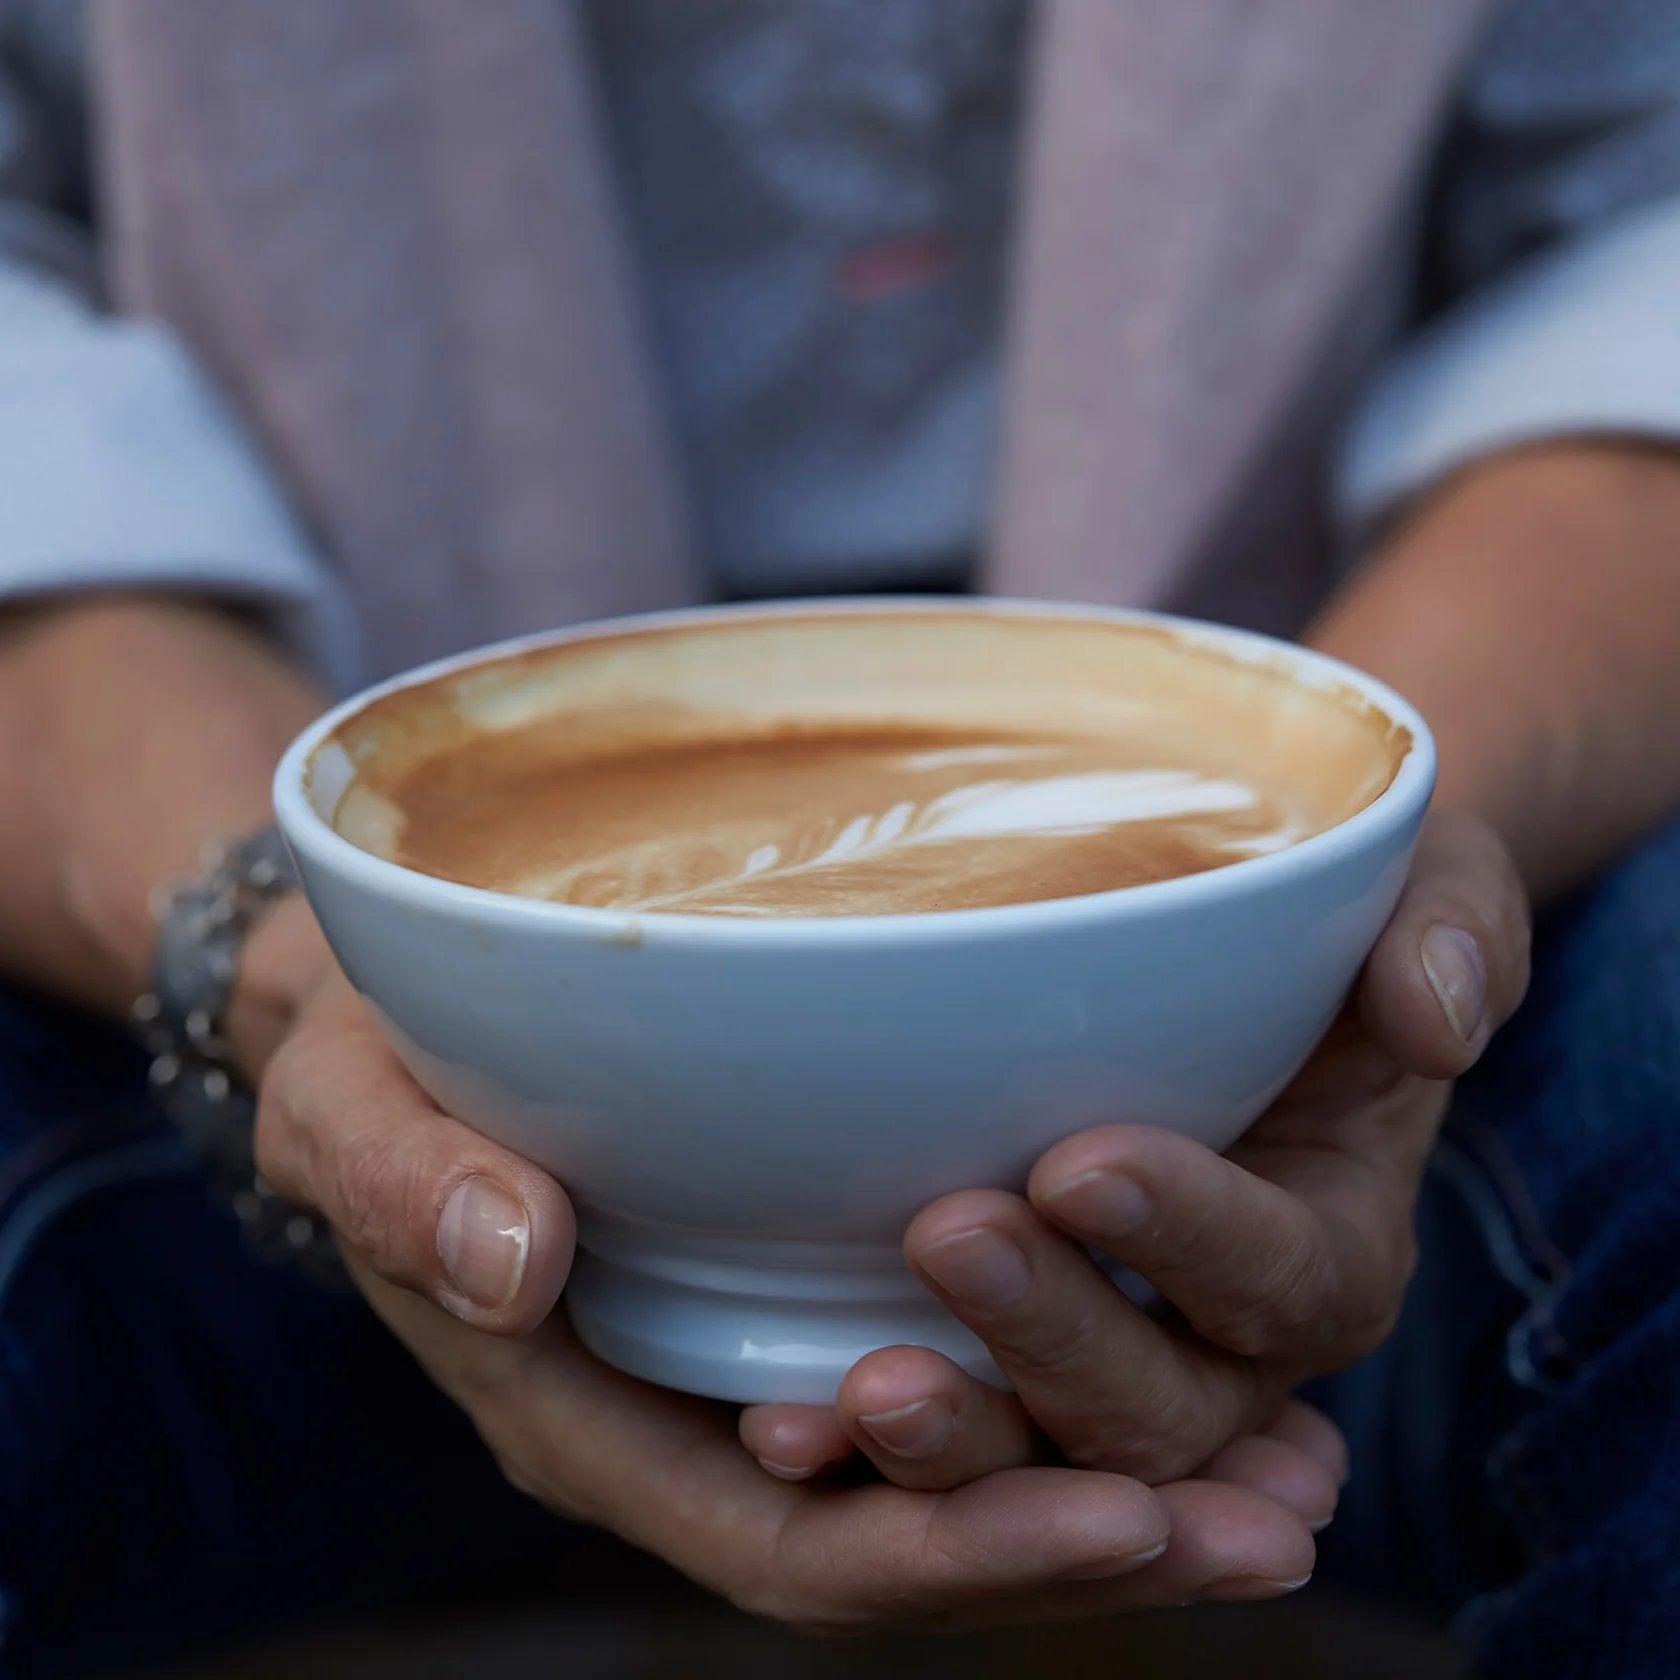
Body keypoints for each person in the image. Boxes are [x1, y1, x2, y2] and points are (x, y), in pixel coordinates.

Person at [2, 0, 1678, 1673]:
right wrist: (265, 954)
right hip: (311, 1025)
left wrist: (1372, 874)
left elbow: (1645, 238)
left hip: (1312, 1076)